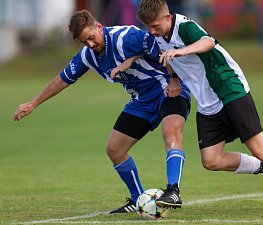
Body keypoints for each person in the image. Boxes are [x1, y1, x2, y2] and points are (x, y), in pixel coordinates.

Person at [14, 9, 191, 212]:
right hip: (142, 101)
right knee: (115, 149)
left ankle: (173, 190)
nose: (90, 44)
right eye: (84, 42)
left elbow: (162, 44)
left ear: (99, 26)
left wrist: (168, 76)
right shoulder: (88, 56)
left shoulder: (125, 37)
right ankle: (137, 200)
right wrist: (33, 103)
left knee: (171, 135)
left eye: (90, 37)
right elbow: (63, 79)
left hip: (168, 88)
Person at [136, 0, 263, 201]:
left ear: (167, 17)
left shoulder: (185, 27)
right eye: (148, 27)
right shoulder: (160, 35)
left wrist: (182, 51)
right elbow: (167, 56)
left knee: (259, 148)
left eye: (155, 26)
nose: (152, 31)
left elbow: (208, 42)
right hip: (207, 102)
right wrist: (173, 79)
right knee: (211, 160)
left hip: (227, 87)